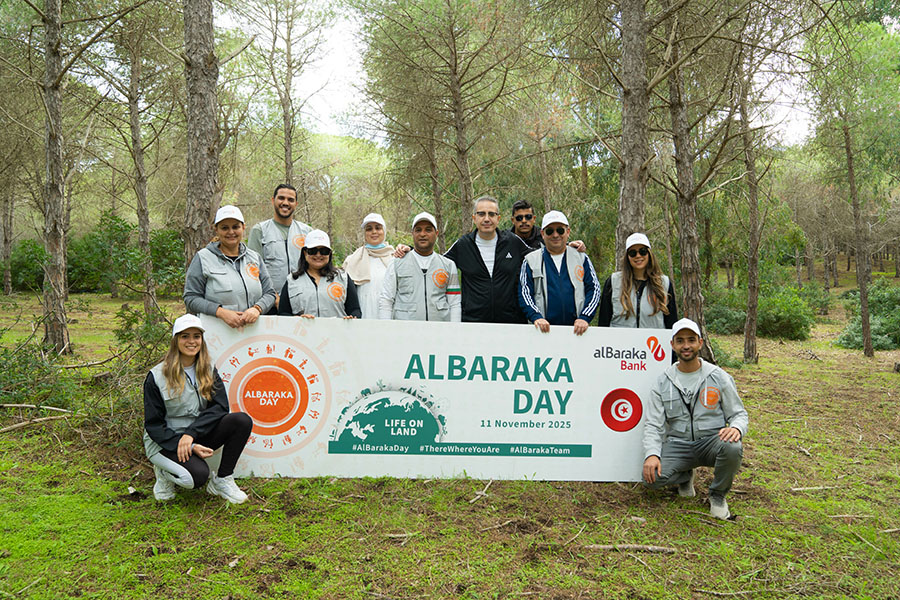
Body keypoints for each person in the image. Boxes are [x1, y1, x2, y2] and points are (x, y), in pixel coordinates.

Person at [642, 318, 748, 520]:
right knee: (651, 479)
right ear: (672, 345)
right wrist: (652, 454)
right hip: (679, 444)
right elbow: (653, 425)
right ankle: (685, 475)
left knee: (733, 447)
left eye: (691, 340)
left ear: (700, 342)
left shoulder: (718, 377)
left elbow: (739, 414)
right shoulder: (663, 381)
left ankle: (717, 496)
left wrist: (736, 428)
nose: (686, 346)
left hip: (711, 442)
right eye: (680, 341)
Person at [143, 314, 253, 503]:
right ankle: (164, 472)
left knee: (241, 421)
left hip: (195, 434)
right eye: (185, 336)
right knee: (196, 478)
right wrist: (187, 444)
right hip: (166, 442)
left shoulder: (208, 369)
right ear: (175, 340)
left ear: (202, 340)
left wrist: (192, 435)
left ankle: (222, 479)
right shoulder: (156, 376)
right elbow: (154, 425)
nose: (191, 341)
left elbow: (220, 407)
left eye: (196, 336)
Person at [184, 205, 276, 328]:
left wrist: (257, 309)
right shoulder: (203, 258)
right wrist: (220, 312)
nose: (231, 232)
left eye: (235, 227)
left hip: (254, 332)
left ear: (243, 227)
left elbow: (269, 293)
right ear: (216, 229)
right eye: (225, 228)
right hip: (219, 333)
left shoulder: (254, 258)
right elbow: (191, 297)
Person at [518, 210, 600, 335]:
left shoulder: (581, 258)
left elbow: (594, 289)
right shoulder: (531, 260)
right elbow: (525, 293)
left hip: (577, 331)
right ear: (543, 234)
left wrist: (584, 317)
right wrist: (536, 316)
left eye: (560, 230)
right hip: (543, 332)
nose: (555, 235)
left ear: (568, 232)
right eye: (550, 231)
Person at [378, 212, 461, 321]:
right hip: (406, 333)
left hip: (439, 333)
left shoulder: (449, 265)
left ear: (436, 233)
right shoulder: (396, 263)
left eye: (428, 230)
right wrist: (386, 330)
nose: (422, 234)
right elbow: (386, 300)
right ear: (412, 233)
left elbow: (454, 303)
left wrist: (454, 331)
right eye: (418, 230)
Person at [247, 184, 314, 311]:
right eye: (281, 198)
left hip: (303, 303)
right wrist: (274, 298)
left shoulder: (307, 232)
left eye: (290, 200)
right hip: (269, 304)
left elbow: (313, 268)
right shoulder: (259, 230)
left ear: (296, 204)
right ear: (273, 200)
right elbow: (253, 271)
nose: (285, 203)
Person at [596, 232, 678, 328]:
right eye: (633, 253)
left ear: (649, 254)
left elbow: (671, 323)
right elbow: (603, 321)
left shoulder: (664, 283)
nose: (638, 256)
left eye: (642, 251)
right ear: (628, 257)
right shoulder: (613, 282)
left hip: (653, 342)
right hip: (619, 342)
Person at [278, 230, 361, 318]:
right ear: (305, 252)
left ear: (329, 253)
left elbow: (355, 309)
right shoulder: (292, 281)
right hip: (303, 331)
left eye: (323, 251)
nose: (318, 255)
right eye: (313, 251)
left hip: (337, 331)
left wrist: (353, 317)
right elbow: (283, 313)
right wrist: (295, 319)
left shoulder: (343, 278)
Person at [343, 213, 395, 319]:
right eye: (369, 229)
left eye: (378, 228)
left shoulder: (394, 258)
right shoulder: (353, 259)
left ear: (384, 231)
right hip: (362, 315)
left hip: (388, 316)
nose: (374, 232)